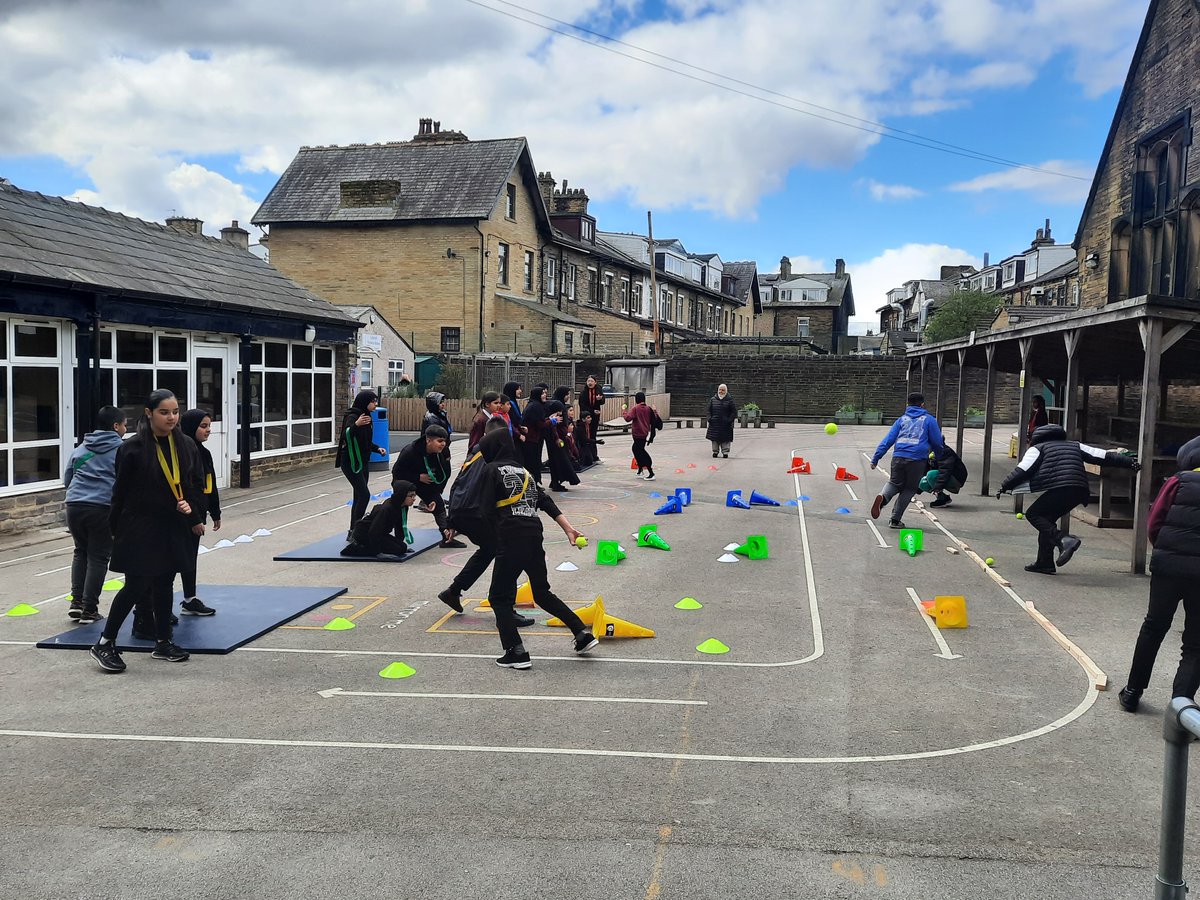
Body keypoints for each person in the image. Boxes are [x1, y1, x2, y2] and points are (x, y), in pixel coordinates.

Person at [90, 389, 203, 672]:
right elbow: (121, 493)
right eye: (164, 412)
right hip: (139, 527)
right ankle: (105, 642)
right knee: (137, 585)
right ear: (149, 413)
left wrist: (194, 515)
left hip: (172, 525)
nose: (172, 417)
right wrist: (114, 530)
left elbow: (189, 485)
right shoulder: (132, 448)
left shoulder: (185, 445)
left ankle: (163, 641)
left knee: (165, 584)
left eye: (175, 412)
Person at [476, 427, 598, 669]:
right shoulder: (525, 473)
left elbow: (484, 510)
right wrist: (569, 529)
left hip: (510, 536)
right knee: (541, 592)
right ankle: (582, 634)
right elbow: (546, 502)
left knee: (499, 598)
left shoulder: (490, 470)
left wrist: (489, 538)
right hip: (534, 534)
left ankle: (516, 652)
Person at [1119, 436, 1200, 712]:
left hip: (1168, 566)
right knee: (1195, 643)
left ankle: (1132, 691)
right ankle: (1181, 706)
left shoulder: (1178, 481)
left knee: (1154, 626)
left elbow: (1154, 521)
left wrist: (1164, 550)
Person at [998, 423, 1141, 574]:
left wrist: (1005, 485)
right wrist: (1130, 462)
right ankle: (1044, 562)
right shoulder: (1075, 445)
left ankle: (1064, 539)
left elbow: (1023, 470)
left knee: (1034, 514)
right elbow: (1103, 456)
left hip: (1061, 487)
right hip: (1079, 489)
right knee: (1047, 520)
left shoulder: (1037, 448)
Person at [438, 417, 535, 628]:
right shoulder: (495, 455)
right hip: (478, 510)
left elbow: (457, 484)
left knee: (489, 548)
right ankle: (504, 607)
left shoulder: (474, 452)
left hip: (464, 510)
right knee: (508, 552)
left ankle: (453, 591)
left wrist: (452, 520)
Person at [63, 405, 127, 624]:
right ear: (116, 425)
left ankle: (77, 602)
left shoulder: (81, 448)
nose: (126, 429)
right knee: (99, 557)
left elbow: (68, 479)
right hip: (101, 507)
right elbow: (126, 481)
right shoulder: (121, 449)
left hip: (74, 505)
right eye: (125, 424)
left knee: (81, 551)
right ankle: (90, 610)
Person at [870, 393, 944, 529]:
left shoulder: (901, 420)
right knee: (909, 488)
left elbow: (888, 440)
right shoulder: (929, 420)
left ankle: (883, 497)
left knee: (894, 483)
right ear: (922, 404)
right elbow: (937, 442)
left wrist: (876, 458)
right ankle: (895, 520)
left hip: (898, 457)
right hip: (917, 460)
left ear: (908, 405)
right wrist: (940, 458)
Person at [177, 408, 222, 617]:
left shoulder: (204, 453)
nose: (208, 430)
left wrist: (215, 511)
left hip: (198, 513)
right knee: (174, 559)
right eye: (203, 426)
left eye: (209, 426)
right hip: (182, 515)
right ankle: (152, 606)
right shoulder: (183, 451)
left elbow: (209, 485)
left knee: (189, 558)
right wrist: (194, 518)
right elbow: (187, 489)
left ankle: (189, 599)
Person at [391, 424, 465, 548]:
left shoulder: (442, 451)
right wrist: (418, 477)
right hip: (404, 481)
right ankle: (399, 541)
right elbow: (397, 473)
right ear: (428, 440)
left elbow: (445, 473)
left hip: (425, 481)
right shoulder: (410, 451)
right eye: (439, 441)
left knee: (438, 504)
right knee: (402, 508)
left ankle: (446, 538)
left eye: (444, 441)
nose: (443, 444)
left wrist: (436, 494)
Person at [336, 390, 385, 540]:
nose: (375, 404)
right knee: (364, 495)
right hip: (350, 461)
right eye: (373, 401)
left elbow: (364, 440)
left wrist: (376, 448)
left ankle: (353, 530)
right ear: (365, 402)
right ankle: (356, 529)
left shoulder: (367, 417)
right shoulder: (353, 416)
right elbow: (346, 435)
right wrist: (356, 425)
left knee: (358, 496)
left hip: (363, 460)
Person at [341, 480, 418, 558]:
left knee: (402, 548)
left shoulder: (403, 506)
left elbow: (400, 526)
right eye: (411, 496)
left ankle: (384, 547)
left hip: (380, 533)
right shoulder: (387, 509)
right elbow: (374, 531)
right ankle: (357, 548)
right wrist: (378, 553)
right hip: (364, 533)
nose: (414, 499)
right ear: (402, 495)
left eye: (414, 495)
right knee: (397, 550)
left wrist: (400, 544)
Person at [546, 389, 581, 491]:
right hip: (557, 439)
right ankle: (556, 482)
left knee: (559, 460)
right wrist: (557, 438)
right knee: (559, 460)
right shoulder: (556, 406)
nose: (568, 397)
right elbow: (554, 425)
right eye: (567, 395)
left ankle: (555, 481)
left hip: (560, 437)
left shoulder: (558, 404)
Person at [922, 441, 968, 509]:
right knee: (922, 482)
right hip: (945, 476)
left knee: (931, 475)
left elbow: (945, 470)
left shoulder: (944, 450)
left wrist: (937, 488)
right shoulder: (928, 450)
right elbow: (924, 469)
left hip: (956, 478)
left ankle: (941, 499)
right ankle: (944, 498)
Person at [520, 385, 551, 482]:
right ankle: (533, 484)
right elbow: (539, 424)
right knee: (532, 463)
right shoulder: (535, 406)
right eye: (542, 393)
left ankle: (535, 483)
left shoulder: (535, 405)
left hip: (533, 438)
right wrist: (552, 421)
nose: (544, 395)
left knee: (534, 462)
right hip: (530, 439)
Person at [624, 392, 657, 481]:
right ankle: (640, 468)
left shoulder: (635, 408)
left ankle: (651, 472)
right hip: (644, 433)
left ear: (636, 399)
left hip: (637, 433)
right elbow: (652, 421)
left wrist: (624, 412)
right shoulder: (648, 408)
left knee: (640, 451)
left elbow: (627, 418)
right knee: (635, 449)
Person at [579, 375, 605, 462]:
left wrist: (599, 399)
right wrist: (592, 411)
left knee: (593, 435)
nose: (590, 383)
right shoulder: (583, 392)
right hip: (585, 416)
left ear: (595, 382)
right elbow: (582, 405)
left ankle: (594, 455)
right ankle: (585, 456)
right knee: (585, 436)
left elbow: (602, 401)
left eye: (591, 381)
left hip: (595, 417)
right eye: (588, 381)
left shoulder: (598, 390)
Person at [705, 384, 737, 459]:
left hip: (726, 424)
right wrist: (710, 418)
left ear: (726, 391)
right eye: (720, 390)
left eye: (723, 390)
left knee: (726, 439)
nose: (721, 391)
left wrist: (729, 420)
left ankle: (725, 452)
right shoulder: (713, 399)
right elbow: (708, 410)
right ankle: (715, 451)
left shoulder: (730, 400)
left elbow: (733, 412)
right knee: (714, 439)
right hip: (714, 423)